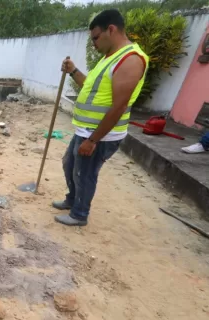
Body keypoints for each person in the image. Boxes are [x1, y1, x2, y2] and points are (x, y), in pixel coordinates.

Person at [55, 9, 149, 226]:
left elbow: (118, 106)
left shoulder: (130, 60)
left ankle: (79, 214)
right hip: (85, 130)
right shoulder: (109, 58)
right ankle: (72, 200)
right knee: (70, 164)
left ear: (112, 29)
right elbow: (90, 87)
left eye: (96, 37)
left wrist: (93, 140)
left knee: (84, 173)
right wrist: (73, 71)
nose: (94, 43)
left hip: (99, 135)